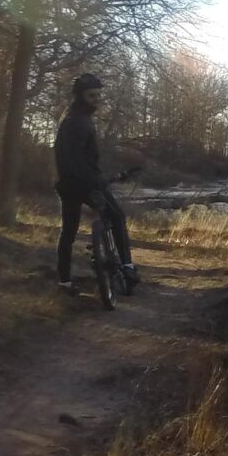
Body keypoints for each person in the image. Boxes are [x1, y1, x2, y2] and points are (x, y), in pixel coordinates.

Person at [54, 71, 137, 294]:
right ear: (80, 96)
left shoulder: (72, 117)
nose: (96, 100)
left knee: (68, 232)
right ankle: (128, 268)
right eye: (92, 96)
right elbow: (75, 159)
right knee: (117, 217)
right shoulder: (78, 122)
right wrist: (94, 184)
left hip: (68, 184)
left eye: (98, 95)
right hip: (84, 183)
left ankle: (64, 281)